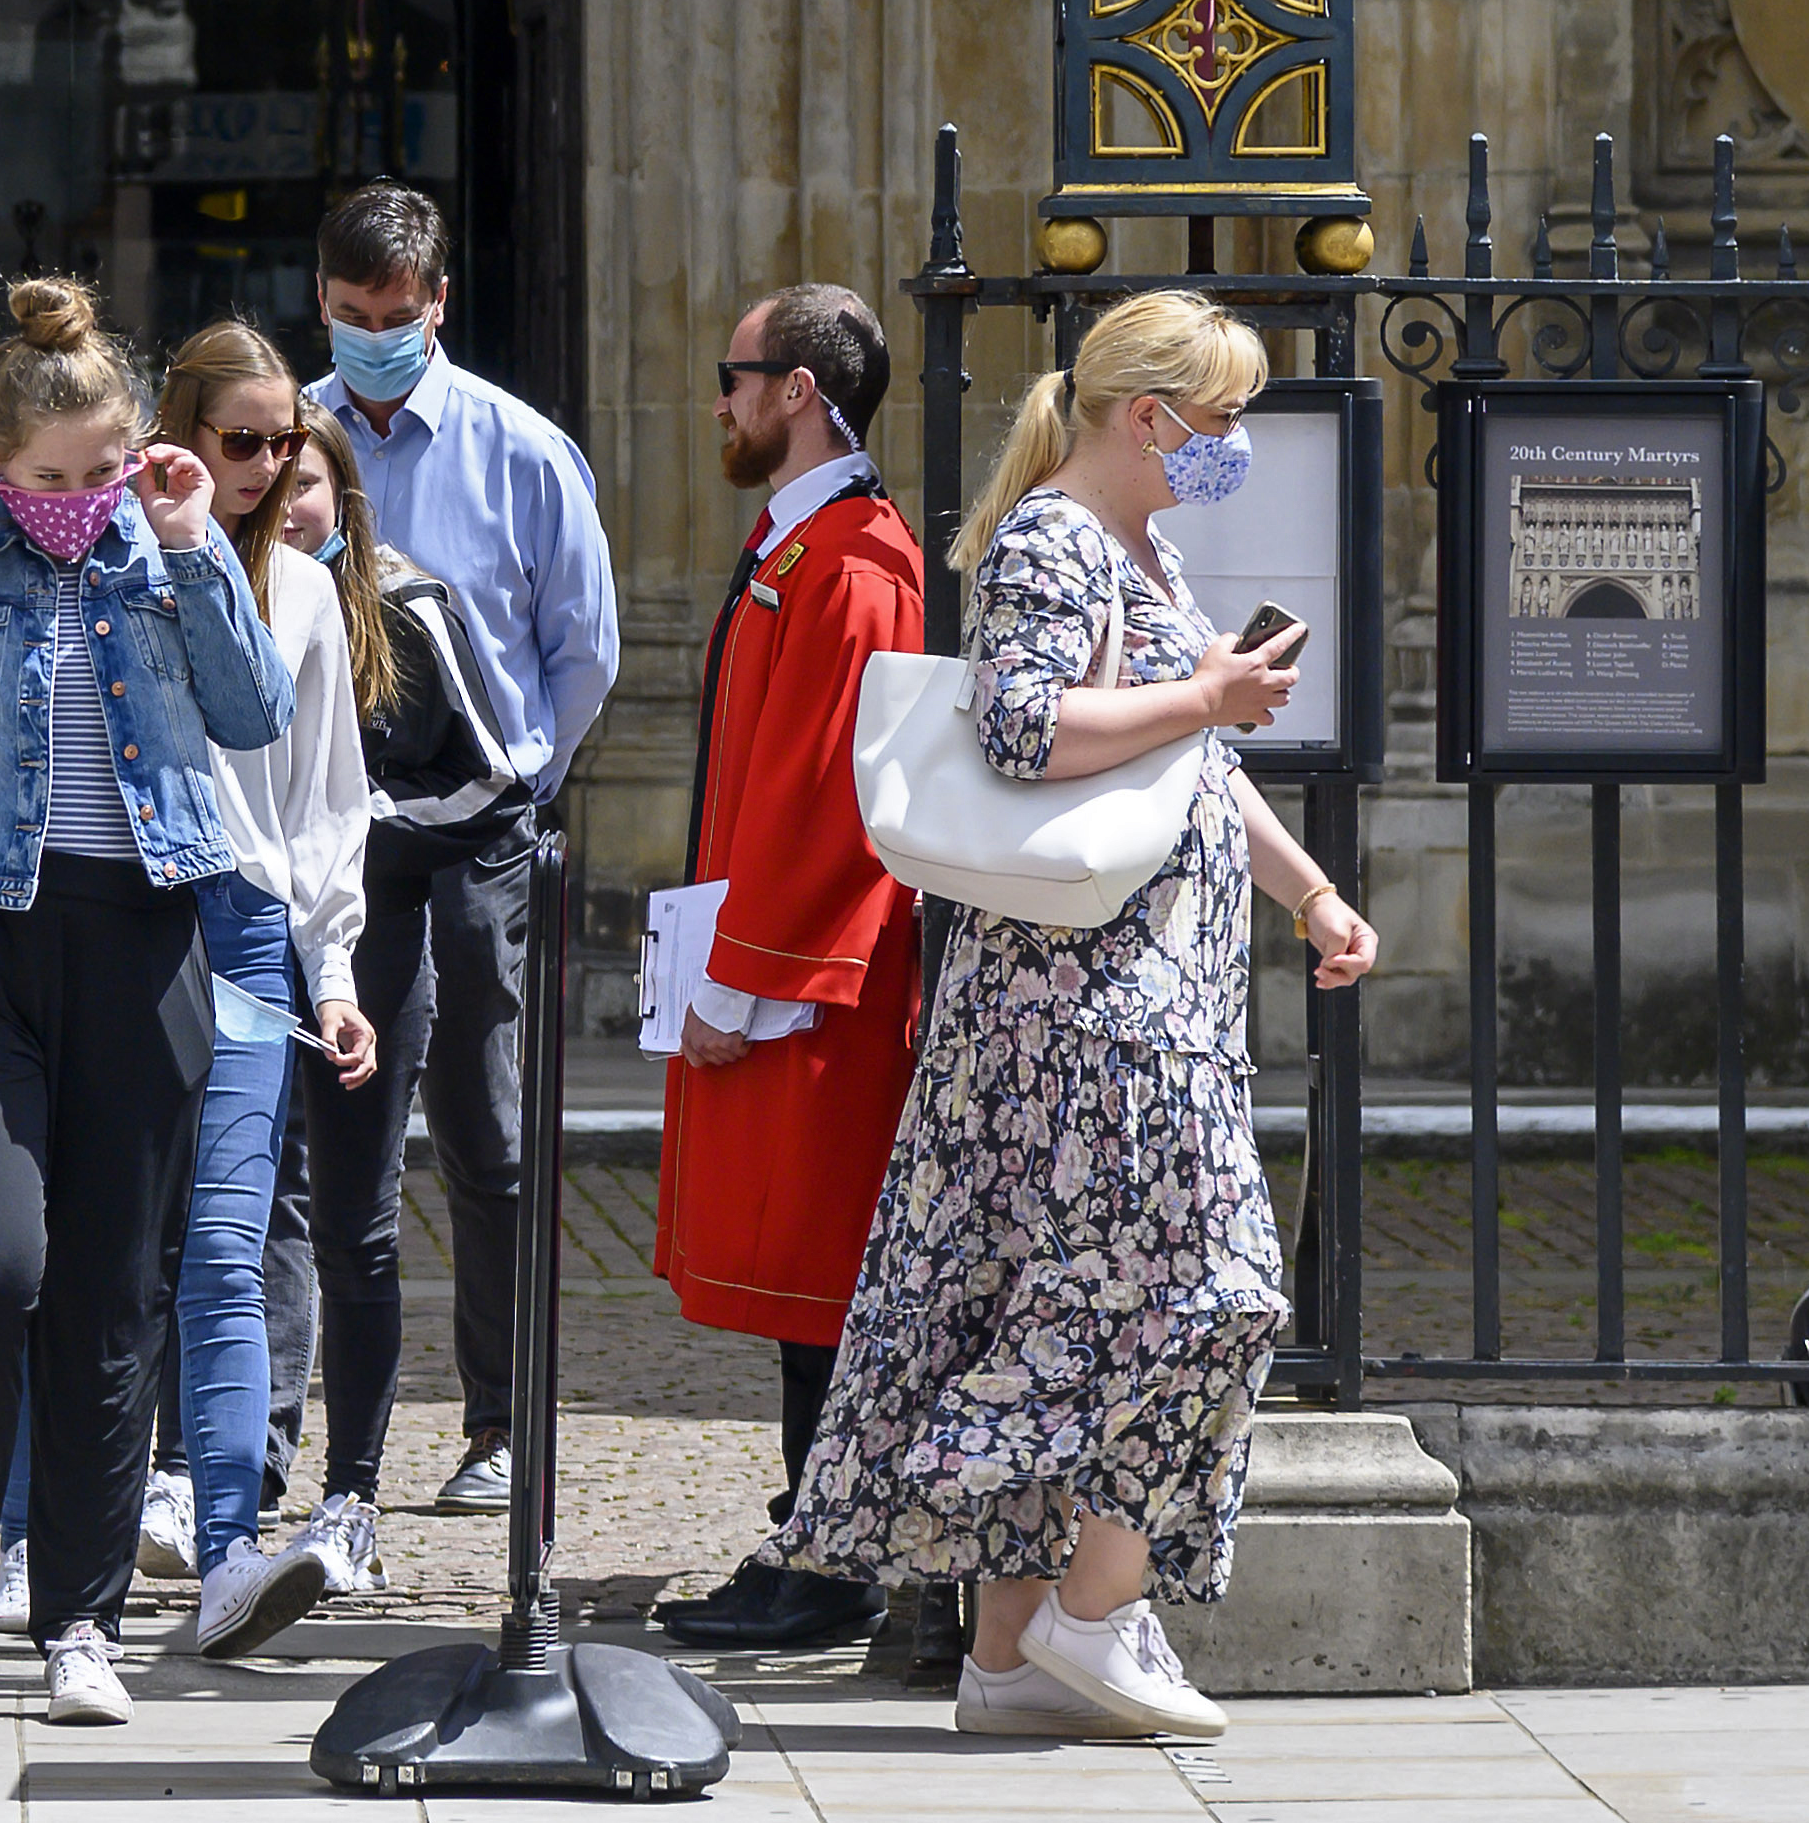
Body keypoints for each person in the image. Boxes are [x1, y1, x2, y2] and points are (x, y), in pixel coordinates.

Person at [756, 290, 1378, 1743]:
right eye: (1218, 419)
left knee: (1056, 1297)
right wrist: (1206, 691)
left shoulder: (1134, 548)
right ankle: (1094, 1609)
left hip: (1117, 998)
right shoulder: (1050, 537)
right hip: (1085, 1009)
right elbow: (1024, 728)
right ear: (1142, 414)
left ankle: (1007, 1656)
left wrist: (1307, 892)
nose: (1232, 444)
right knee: (1217, 1284)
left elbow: (1191, 770)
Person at [0, 276, 294, 1726]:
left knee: (112, 1293)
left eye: (103, 469)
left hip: (138, 941)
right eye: (50, 478)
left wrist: (193, 542)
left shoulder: (165, 549)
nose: (79, 498)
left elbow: (256, 711)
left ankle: (82, 1619)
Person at [0, 323, 378, 1661]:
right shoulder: (115, 564)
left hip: (250, 935)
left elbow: (328, 804)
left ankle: (226, 1555)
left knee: (220, 1250)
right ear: (173, 439)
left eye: (285, 443)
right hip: (132, 920)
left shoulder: (308, 595)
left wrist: (334, 972)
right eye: (238, 439)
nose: (266, 466)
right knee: (73, 1260)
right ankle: (26, 1543)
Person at [304, 181, 620, 1518]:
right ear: (321, 299)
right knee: (337, 1127)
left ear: (437, 302)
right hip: (341, 825)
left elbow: (582, 648)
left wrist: (519, 778)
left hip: (483, 827)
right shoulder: (291, 443)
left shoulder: (523, 452)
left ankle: (497, 1423)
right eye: (349, 315)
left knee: (489, 1127)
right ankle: (311, 1443)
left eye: (396, 315)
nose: (375, 336)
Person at [649, 286, 923, 1653]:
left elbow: (829, 801)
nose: (718, 400)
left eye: (733, 373)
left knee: (824, 1276)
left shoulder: (855, 561)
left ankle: (829, 1558)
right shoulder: (804, 544)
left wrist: (739, 981)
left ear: (801, 388)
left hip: (815, 990)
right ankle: (808, 1525)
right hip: (778, 974)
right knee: (799, 1279)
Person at [275, 410, 540, 1594]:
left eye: (308, 483)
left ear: (346, 495)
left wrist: (352, 822)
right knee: (234, 1206)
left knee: (360, 1210)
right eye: (267, 479)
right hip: (246, 937)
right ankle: (229, 1465)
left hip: (379, 932)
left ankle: (358, 1485)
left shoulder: (404, 603)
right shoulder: (217, 592)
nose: (286, 503)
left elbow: (494, 777)